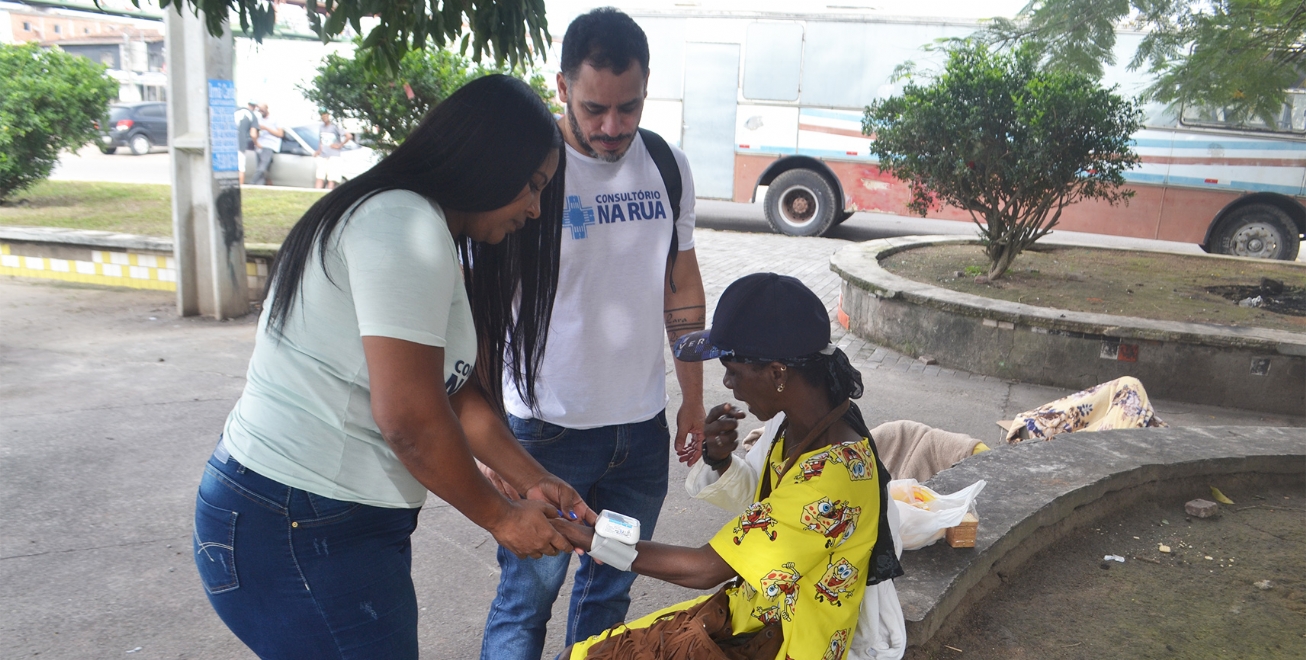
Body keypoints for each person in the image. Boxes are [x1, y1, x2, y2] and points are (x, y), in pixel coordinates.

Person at [192, 75, 594, 660]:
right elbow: (409, 417)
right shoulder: (402, 225)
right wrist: (501, 518)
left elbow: (453, 396)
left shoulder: (415, 225)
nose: (534, 209)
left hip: (319, 521)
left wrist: (531, 478)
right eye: (530, 187)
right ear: (486, 162)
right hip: (299, 522)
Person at [480, 8, 708, 659]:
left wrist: (692, 393)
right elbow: (485, 316)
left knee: (608, 597)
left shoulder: (666, 165)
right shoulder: (528, 177)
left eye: (628, 108)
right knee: (526, 601)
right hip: (546, 431)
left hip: (640, 432)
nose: (612, 128)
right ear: (561, 89)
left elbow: (681, 287)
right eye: (594, 109)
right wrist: (491, 436)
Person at [551, 273, 904, 660]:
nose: (728, 382)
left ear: (777, 372)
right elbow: (766, 516)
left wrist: (588, 537)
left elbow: (704, 569)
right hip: (749, 618)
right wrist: (719, 461)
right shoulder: (800, 425)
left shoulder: (836, 474)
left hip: (787, 644)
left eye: (733, 369)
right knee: (581, 653)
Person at [314, 109, 350, 190]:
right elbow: (321, 141)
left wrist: (340, 145)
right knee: (320, 176)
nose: (324, 117)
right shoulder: (321, 127)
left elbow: (348, 136)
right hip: (323, 155)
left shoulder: (335, 126)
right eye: (322, 115)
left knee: (331, 178)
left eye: (326, 115)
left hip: (333, 155)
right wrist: (319, 150)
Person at [251, 102, 283, 185]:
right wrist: (256, 142)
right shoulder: (258, 120)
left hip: (269, 145)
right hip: (259, 145)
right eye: (259, 110)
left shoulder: (275, 119)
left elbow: (280, 134)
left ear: (266, 109)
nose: (260, 111)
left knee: (262, 168)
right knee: (262, 170)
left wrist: (266, 128)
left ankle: (251, 184)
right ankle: (259, 186)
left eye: (262, 110)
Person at [234, 101, 257, 185]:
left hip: (229, 144)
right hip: (240, 145)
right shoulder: (252, 115)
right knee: (241, 168)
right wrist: (257, 144)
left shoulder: (235, 110)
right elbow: (253, 134)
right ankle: (239, 188)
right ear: (255, 107)